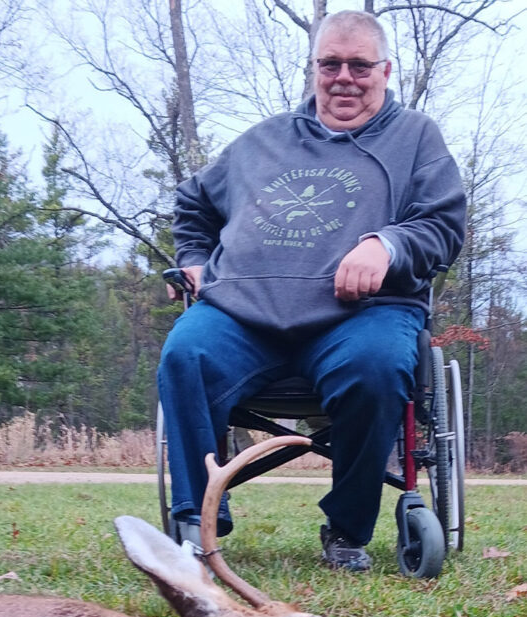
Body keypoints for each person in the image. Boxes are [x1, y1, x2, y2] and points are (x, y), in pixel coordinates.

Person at [158, 9, 466, 571]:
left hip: (363, 314)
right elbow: (193, 204)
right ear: (314, 68)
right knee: (185, 352)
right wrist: (196, 260)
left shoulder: (416, 138)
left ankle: (347, 530)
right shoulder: (263, 142)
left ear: (386, 71)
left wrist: (386, 246)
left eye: (359, 65)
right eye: (330, 64)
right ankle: (197, 522)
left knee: (376, 365)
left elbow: (443, 226)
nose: (344, 76)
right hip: (245, 314)